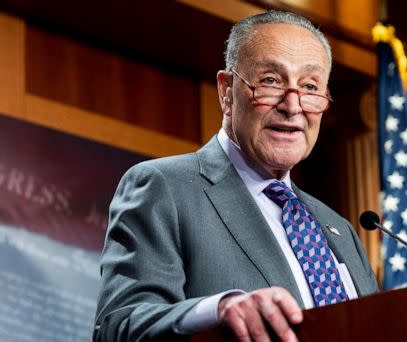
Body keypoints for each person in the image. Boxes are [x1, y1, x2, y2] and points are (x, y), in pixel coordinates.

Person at [93, 10, 378, 342]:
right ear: (226, 91)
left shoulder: (340, 230)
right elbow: (118, 326)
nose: (293, 105)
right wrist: (217, 310)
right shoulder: (163, 187)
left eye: (310, 86)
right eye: (271, 80)